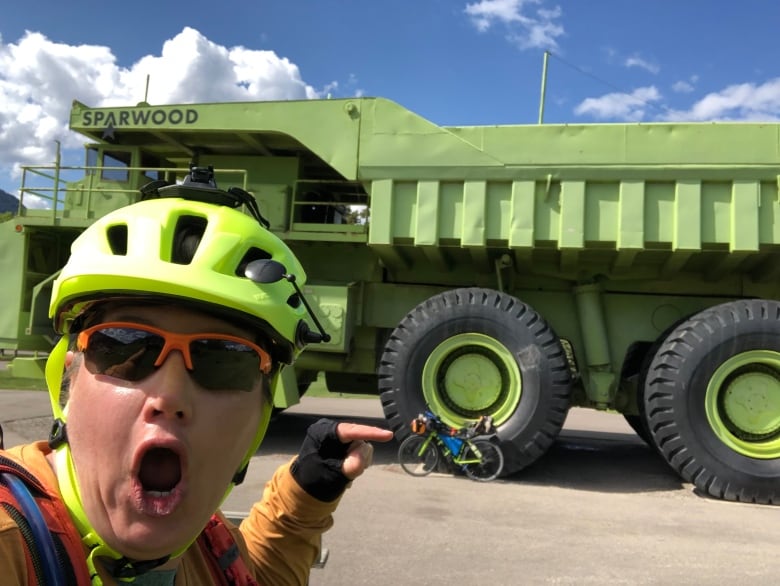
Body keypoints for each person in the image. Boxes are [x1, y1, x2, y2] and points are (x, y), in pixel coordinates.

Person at [0, 168, 394, 585]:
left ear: (262, 411)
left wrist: (308, 492)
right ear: (67, 381)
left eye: (223, 359)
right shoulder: (12, 545)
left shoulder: (207, 545)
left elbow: (256, 575)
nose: (169, 397)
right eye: (125, 346)